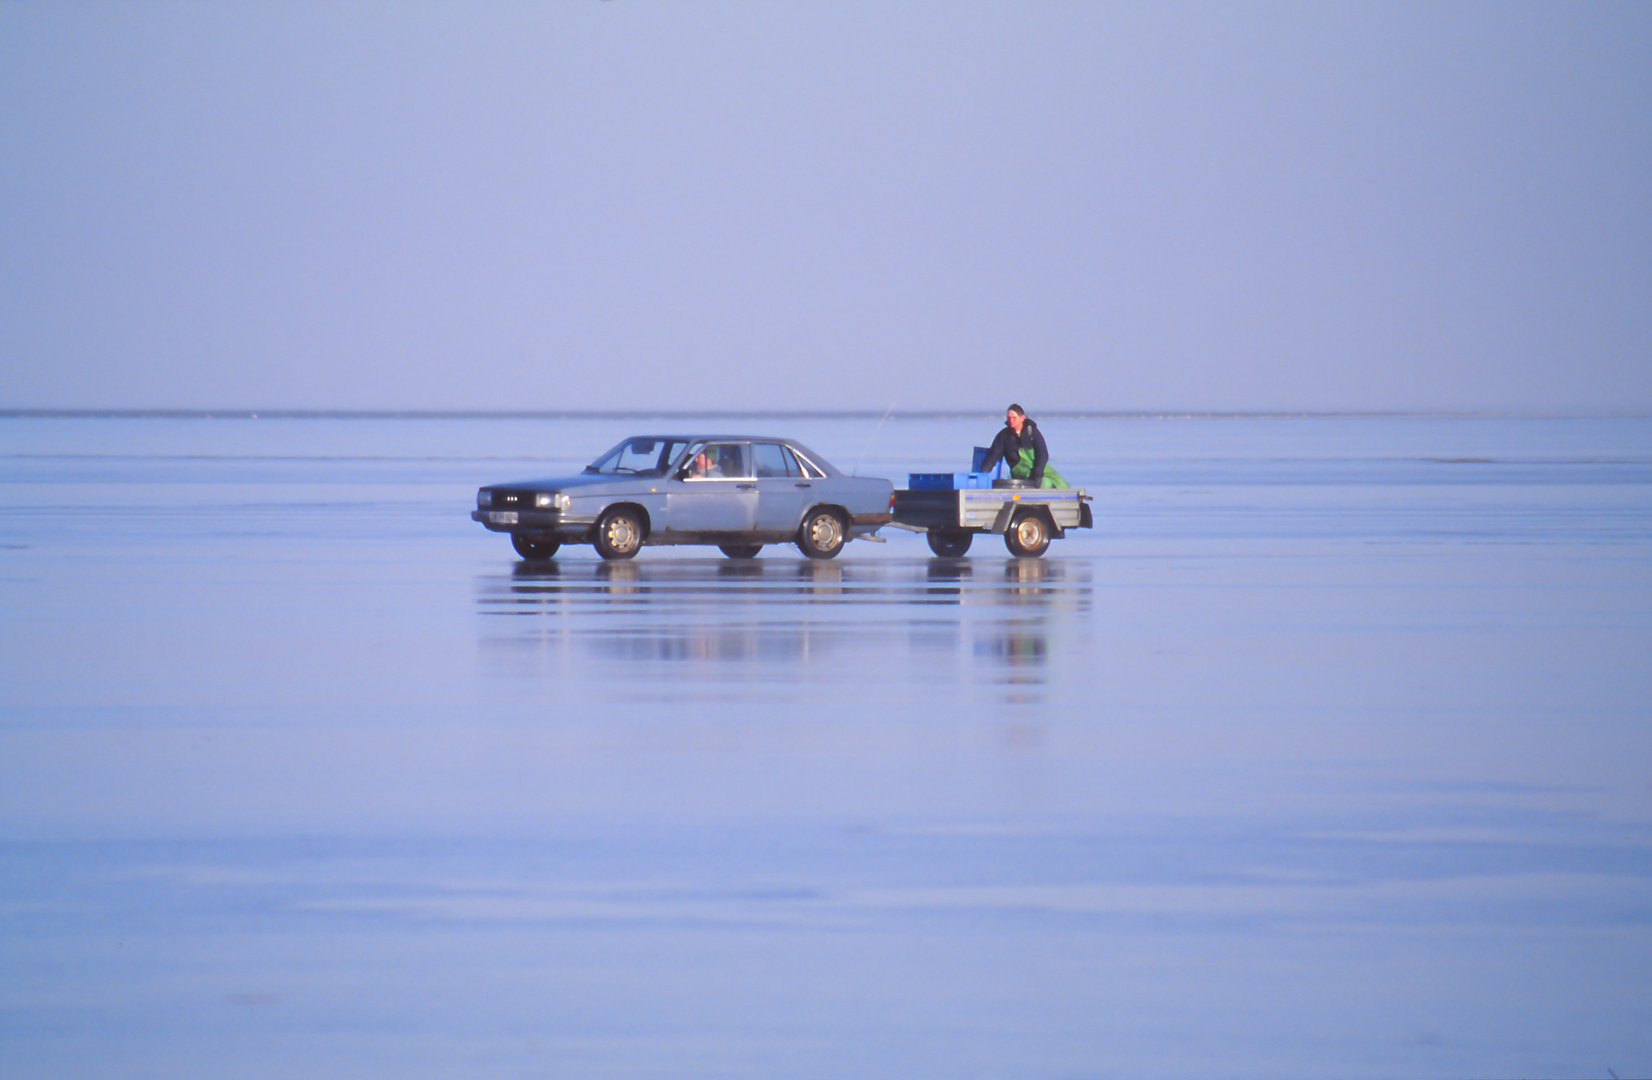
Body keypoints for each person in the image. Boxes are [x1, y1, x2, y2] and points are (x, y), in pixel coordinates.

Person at [980, 404, 1068, 488]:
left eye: (1014, 418)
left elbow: (1043, 453)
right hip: (1019, 470)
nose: (1011, 421)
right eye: (1009, 418)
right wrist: (982, 476)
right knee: (1045, 482)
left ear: (1022, 418)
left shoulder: (1032, 432)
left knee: (1061, 484)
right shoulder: (1003, 436)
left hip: (1038, 467)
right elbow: (992, 458)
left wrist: (1037, 474)